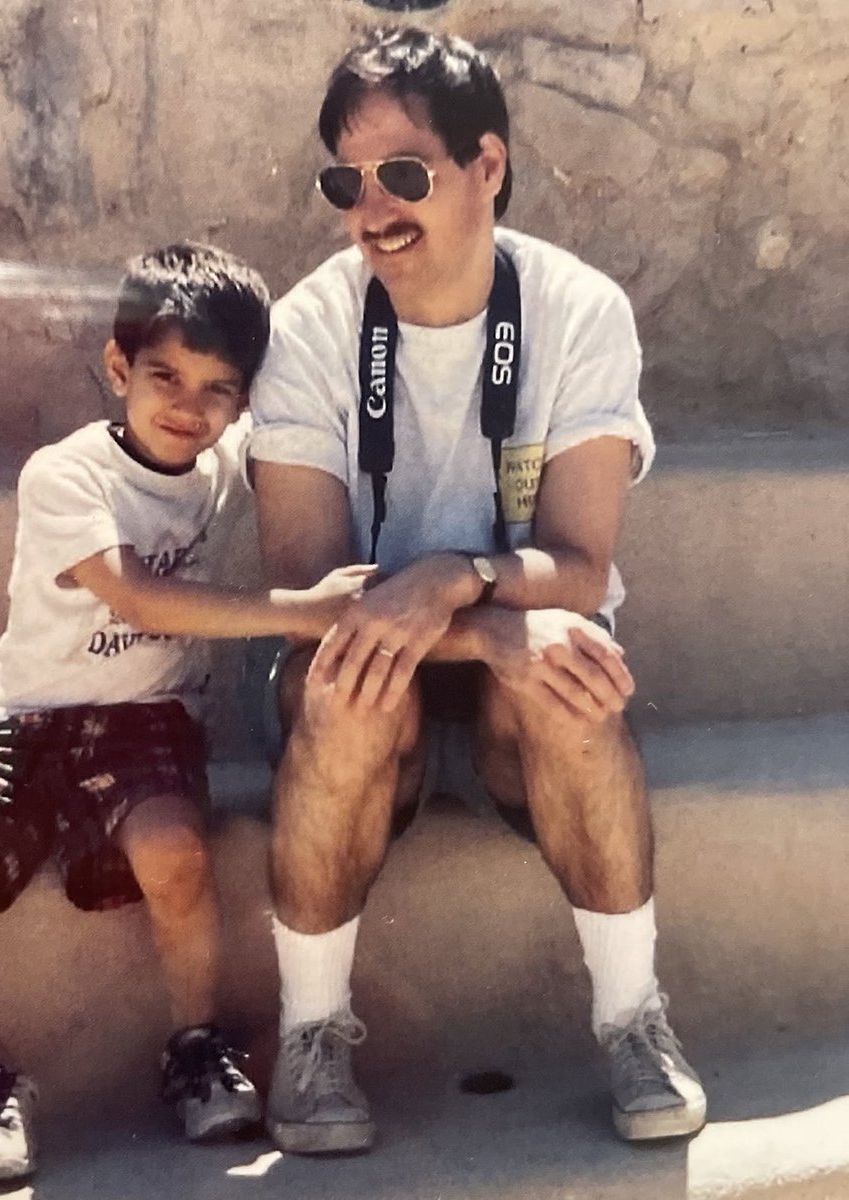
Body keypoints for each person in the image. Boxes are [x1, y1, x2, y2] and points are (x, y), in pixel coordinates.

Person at [247, 26, 707, 1155]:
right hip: (365, 670)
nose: (372, 211)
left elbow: (579, 567)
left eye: (403, 174)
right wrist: (487, 629)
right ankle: (311, 1035)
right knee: (350, 687)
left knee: (568, 669)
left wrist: (457, 583)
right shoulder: (309, 326)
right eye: (345, 183)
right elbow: (303, 595)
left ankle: (633, 1019)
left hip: (514, 667)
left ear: (486, 165)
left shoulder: (577, 309)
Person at [0, 242, 372, 1184]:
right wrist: (296, 612)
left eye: (218, 389)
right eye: (164, 376)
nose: (188, 407)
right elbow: (135, 595)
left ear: (243, 401)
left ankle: (195, 1046)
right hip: (24, 717)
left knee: (174, 849)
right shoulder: (65, 473)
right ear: (116, 367)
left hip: (145, 721)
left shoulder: (223, 470)